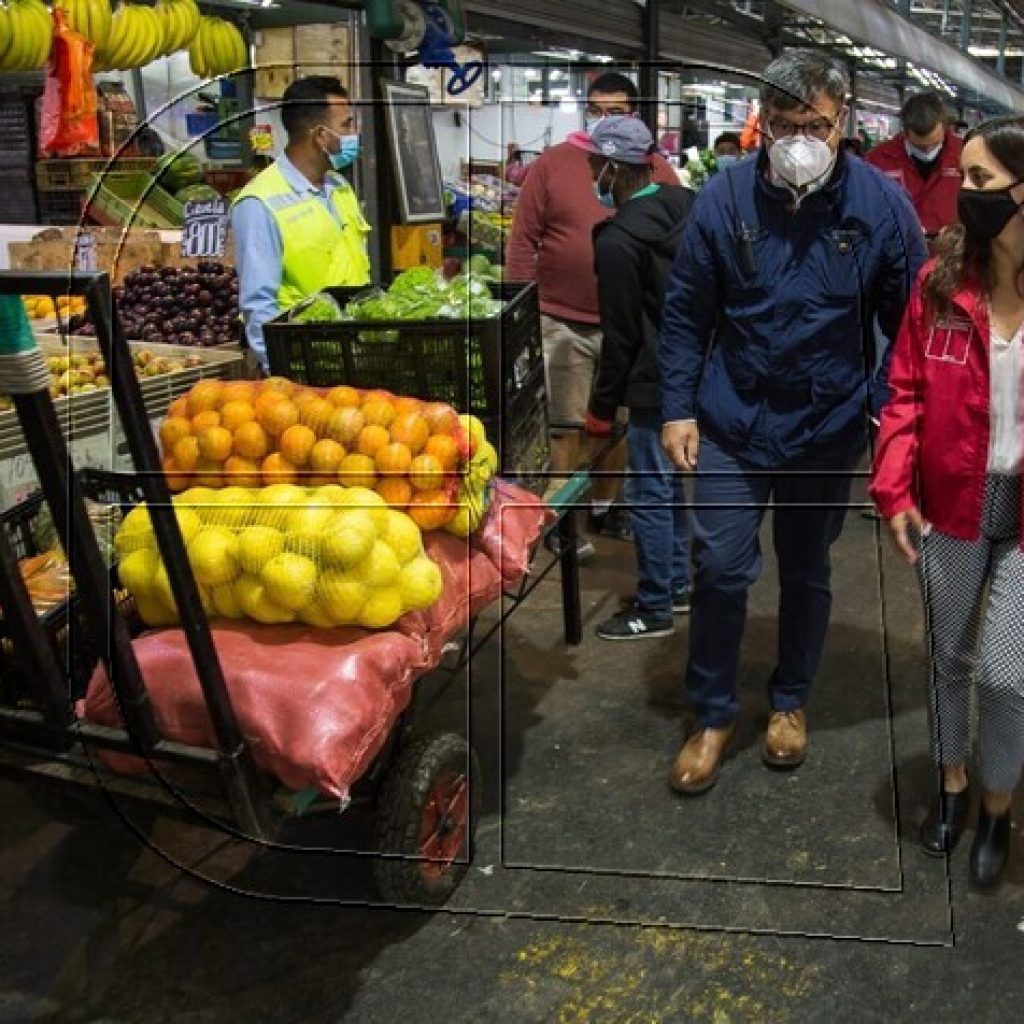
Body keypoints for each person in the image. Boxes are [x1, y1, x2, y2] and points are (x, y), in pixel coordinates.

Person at [659, 50, 927, 795]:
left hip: (825, 428)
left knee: (807, 571)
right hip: (733, 422)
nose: (798, 139)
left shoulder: (880, 208)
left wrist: (883, 405)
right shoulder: (726, 200)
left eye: (813, 124)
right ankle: (712, 714)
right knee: (719, 568)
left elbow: (910, 322)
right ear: (762, 124)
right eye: (783, 125)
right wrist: (677, 405)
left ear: (844, 120)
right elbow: (687, 312)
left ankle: (789, 704)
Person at [870, 116, 1024, 890]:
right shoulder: (939, 286)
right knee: (948, 656)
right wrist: (894, 484)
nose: (965, 193)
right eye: (963, 177)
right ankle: (953, 782)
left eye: (983, 181)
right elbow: (901, 394)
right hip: (953, 498)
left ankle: (999, 805)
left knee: (1006, 670)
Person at [506, 72, 680, 555]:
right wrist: (522, 314)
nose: (605, 121)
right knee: (565, 427)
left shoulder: (656, 170)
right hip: (562, 319)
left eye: (616, 112)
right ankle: (561, 523)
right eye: (597, 111)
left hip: (631, 327)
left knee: (619, 426)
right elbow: (523, 242)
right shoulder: (554, 165)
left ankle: (605, 508)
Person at [573, 116, 695, 639]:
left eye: (593, 163)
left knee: (649, 492)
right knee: (672, 487)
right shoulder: (685, 205)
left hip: (651, 378)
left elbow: (619, 336)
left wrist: (602, 408)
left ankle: (654, 607)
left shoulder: (618, 240)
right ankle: (678, 583)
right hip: (693, 368)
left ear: (614, 168)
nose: (589, 172)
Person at [231, 76, 371, 373]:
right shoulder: (260, 203)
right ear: (320, 135)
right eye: (347, 125)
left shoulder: (339, 186)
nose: (355, 134)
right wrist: (286, 373)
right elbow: (258, 306)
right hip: (303, 363)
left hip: (352, 356)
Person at [867, 91, 963, 241]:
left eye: (934, 144)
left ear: (945, 128)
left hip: (950, 253)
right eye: (919, 146)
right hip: (898, 253)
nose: (927, 151)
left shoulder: (964, 155)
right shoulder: (877, 160)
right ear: (905, 131)